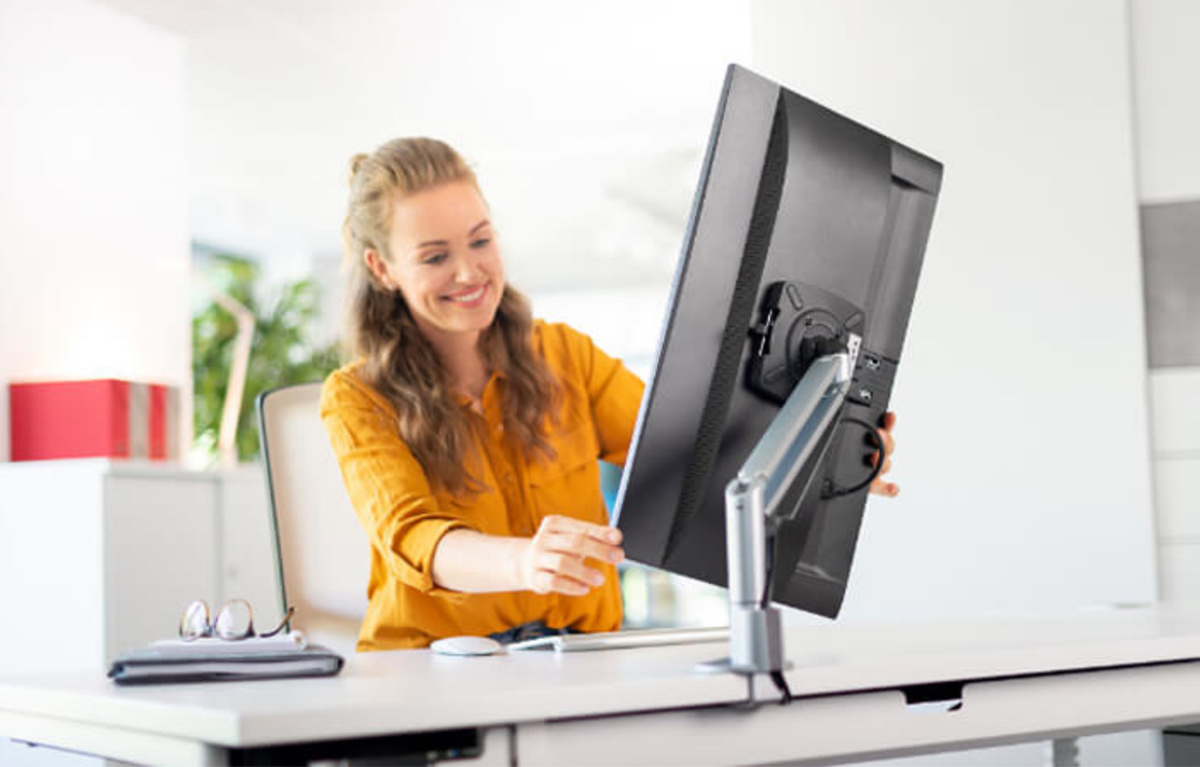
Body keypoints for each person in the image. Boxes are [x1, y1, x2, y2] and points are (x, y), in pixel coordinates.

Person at [321, 137, 899, 651]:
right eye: (434, 257)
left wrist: (817, 458)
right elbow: (414, 537)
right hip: (431, 669)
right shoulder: (356, 399)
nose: (470, 272)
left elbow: (686, 455)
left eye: (480, 241)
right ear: (382, 268)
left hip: (578, 659)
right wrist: (525, 560)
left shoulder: (564, 357)